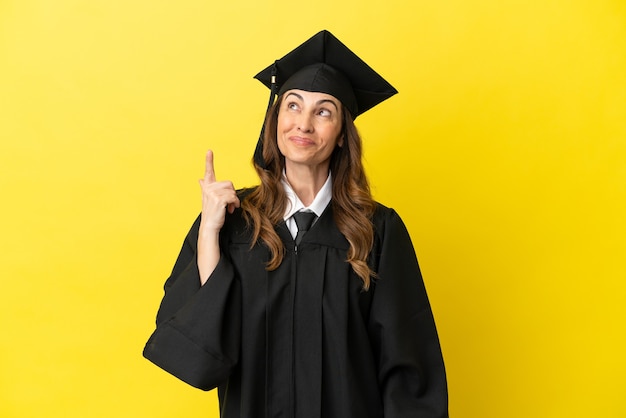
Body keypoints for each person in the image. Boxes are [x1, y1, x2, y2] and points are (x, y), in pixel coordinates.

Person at [144, 30, 448, 418]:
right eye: (292, 106)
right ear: (275, 121)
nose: (303, 124)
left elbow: (408, 361)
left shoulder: (378, 230)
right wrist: (209, 233)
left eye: (323, 111)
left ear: (341, 136)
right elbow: (203, 353)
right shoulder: (234, 223)